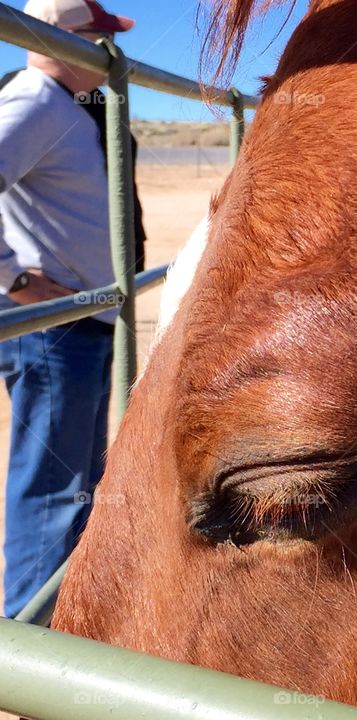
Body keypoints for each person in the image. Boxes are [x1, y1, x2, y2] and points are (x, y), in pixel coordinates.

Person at [0, 0, 141, 617]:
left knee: (77, 478)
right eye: (100, 39)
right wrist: (14, 280)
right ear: (61, 41)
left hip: (83, 320)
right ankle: (29, 648)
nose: (111, 53)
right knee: (55, 488)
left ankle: (65, 617)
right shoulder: (35, 99)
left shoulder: (67, 108)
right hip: (56, 331)